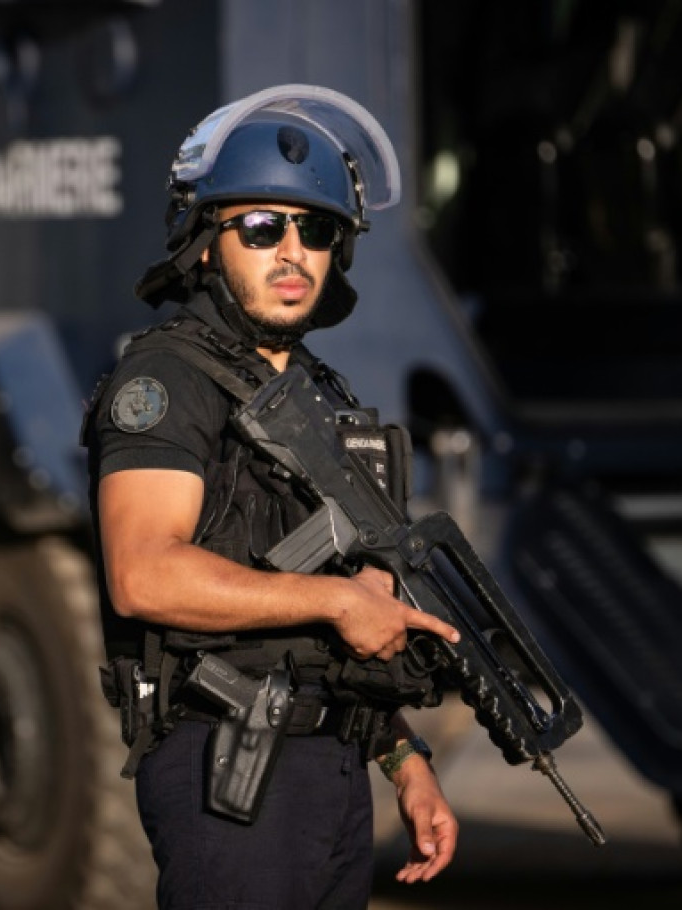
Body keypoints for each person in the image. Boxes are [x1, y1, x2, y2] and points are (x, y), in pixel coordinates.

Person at [84, 85, 461, 908]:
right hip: (229, 771)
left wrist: (404, 762)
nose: (292, 252)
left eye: (316, 229)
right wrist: (332, 600)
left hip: (332, 776)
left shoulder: (324, 400)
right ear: (207, 244)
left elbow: (352, 623)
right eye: (262, 226)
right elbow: (143, 574)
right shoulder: (165, 381)